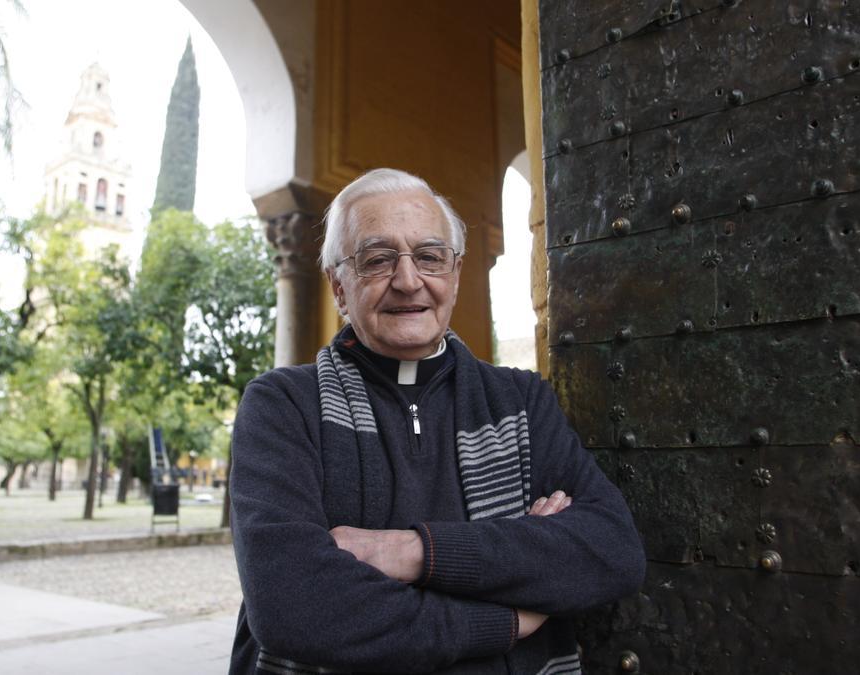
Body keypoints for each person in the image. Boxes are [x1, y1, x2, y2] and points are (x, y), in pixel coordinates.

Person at [229, 168, 645, 673]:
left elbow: (610, 552)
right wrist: (506, 619)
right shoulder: (283, 406)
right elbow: (294, 609)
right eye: (377, 259)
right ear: (339, 287)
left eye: (429, 257)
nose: (408, 281)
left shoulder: (520, 400)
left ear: (454, 274)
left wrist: (413, 552)